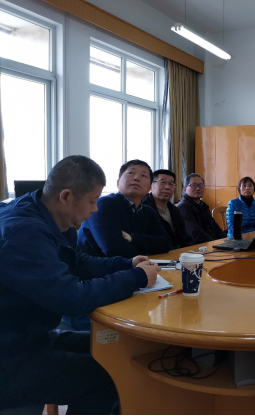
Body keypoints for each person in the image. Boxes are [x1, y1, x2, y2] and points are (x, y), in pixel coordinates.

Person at [0, 156, 160, 414]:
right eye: (92, 200)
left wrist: (127, 264)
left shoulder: (49, 214)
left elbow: (76, 261)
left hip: (31, 335)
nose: (95, 209)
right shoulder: (23, 232)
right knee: (106, 376)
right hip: (11, 352)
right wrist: (136, 278)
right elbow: (71, 298)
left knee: (113, 348)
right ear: (66, 196)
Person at [78, 159, 172, 258]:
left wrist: (132, 238)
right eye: (130, 173)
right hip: (96, 266)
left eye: (143, 176)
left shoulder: (149, 212)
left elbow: (165, 243)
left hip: (132, 265)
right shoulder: (105, 204)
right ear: (118, 182)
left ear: (149, 188)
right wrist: (144, 252)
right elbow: (113, 248)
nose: (136, 178)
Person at [142, 169, 193, 249]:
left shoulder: (175, 210)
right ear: (150, 186)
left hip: (180, 254)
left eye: (171, 184)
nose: (167, 187)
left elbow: (185, 238)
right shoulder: (142, 209)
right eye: (162, 182)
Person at [176, 173, 227, 244]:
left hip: (212, 243)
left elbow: (216, 229)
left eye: (201, 185)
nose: (198, 188)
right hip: (197, 247)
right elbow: (195, 233)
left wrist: (225, 242)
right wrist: (215, 244)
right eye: (193, 185)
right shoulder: (182, 207)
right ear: (185, 189)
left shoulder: (203, 206)